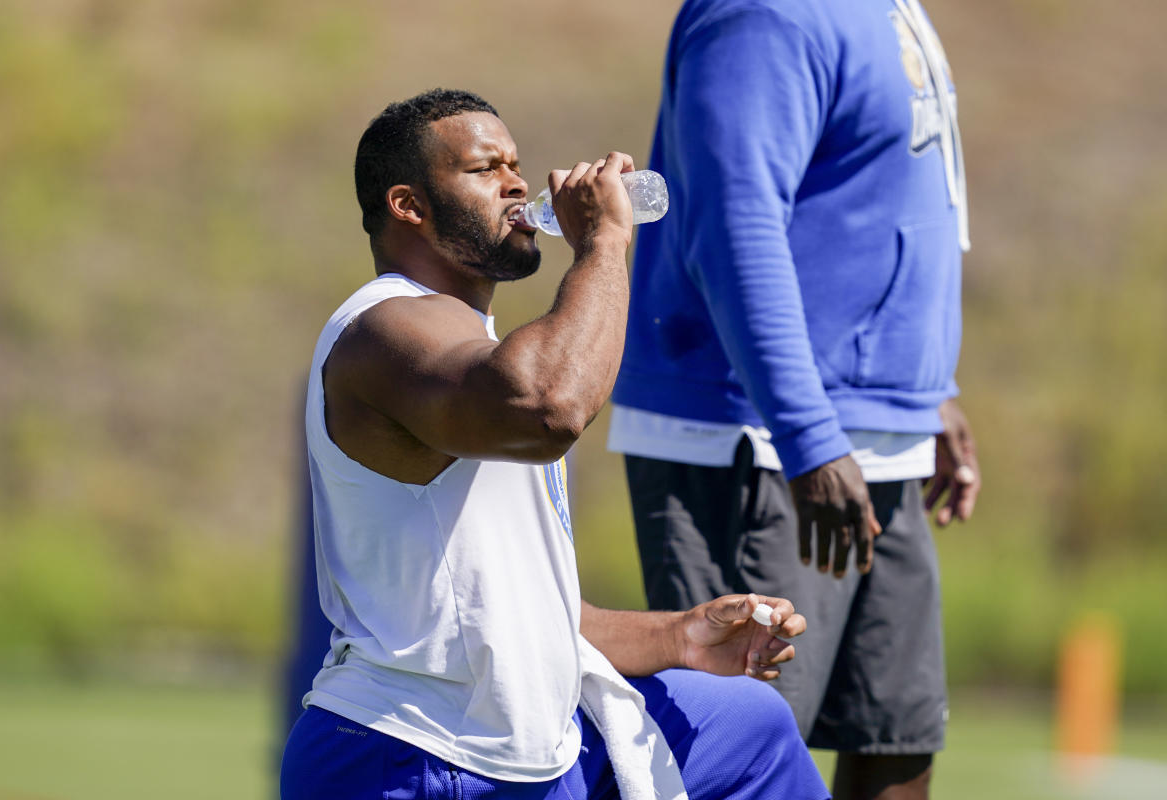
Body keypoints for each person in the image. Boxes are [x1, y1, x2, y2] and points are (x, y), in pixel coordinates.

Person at [279, 88, 830, 800]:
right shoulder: (384, 328)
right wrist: (603, 244)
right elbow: (548, 409)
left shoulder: (478, 352)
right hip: (412, 753)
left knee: (750, 728)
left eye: (516, 163)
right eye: (485, 169)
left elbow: (523, 615)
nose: (517, 182)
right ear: (408, 205)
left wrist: (678, 639)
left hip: (529, 747)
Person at [608, 1, 982, 798]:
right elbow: (735, 226)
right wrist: (811, 434)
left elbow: (882, 201)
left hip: (873, 430)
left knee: (896, 744)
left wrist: (927, 393)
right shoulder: (764, 12)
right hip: (759, 436)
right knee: (745, 758)